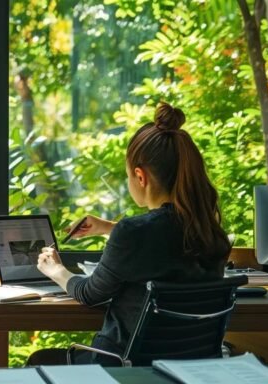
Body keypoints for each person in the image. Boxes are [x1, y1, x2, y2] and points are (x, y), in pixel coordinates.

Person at [35, 102, 232, 365]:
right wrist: (108, 227)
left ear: (140, 177)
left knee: (41, 359)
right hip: (183, 370)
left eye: (128, 175)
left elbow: (90, 293)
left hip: (121, 366)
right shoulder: (209, 232)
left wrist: (55, 270)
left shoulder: (134, 233)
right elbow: (167, 241)